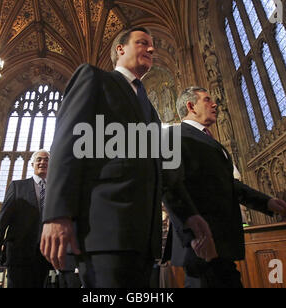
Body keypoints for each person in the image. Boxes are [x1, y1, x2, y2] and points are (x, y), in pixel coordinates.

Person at [40, 27, 214, 288]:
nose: (151, 49)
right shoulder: (94, 78)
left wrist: (189, 215)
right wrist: (57, 214)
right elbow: (67, 143)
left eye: (152, 45)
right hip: (104, 231)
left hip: (143, 238)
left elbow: (164, 171)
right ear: (120, 49)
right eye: (142, 42)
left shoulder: (150, 109)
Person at [163, 87, 286, 288]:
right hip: (202, 247)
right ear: (191, 106)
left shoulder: (209, 140)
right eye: (207, 100)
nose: (214, 104)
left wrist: (266, 202)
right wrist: (194, 235)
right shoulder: (175, 135)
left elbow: (228, 185)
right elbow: (169, 184)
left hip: (221, 244)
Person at [0, 149, 53, 288]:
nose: (43, 162)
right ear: (32, 164)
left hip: (46, 255)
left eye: (46, 159)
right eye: (39, 159)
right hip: (19, 252)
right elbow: (2, 221)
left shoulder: (55, 189)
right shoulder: (17, 186)